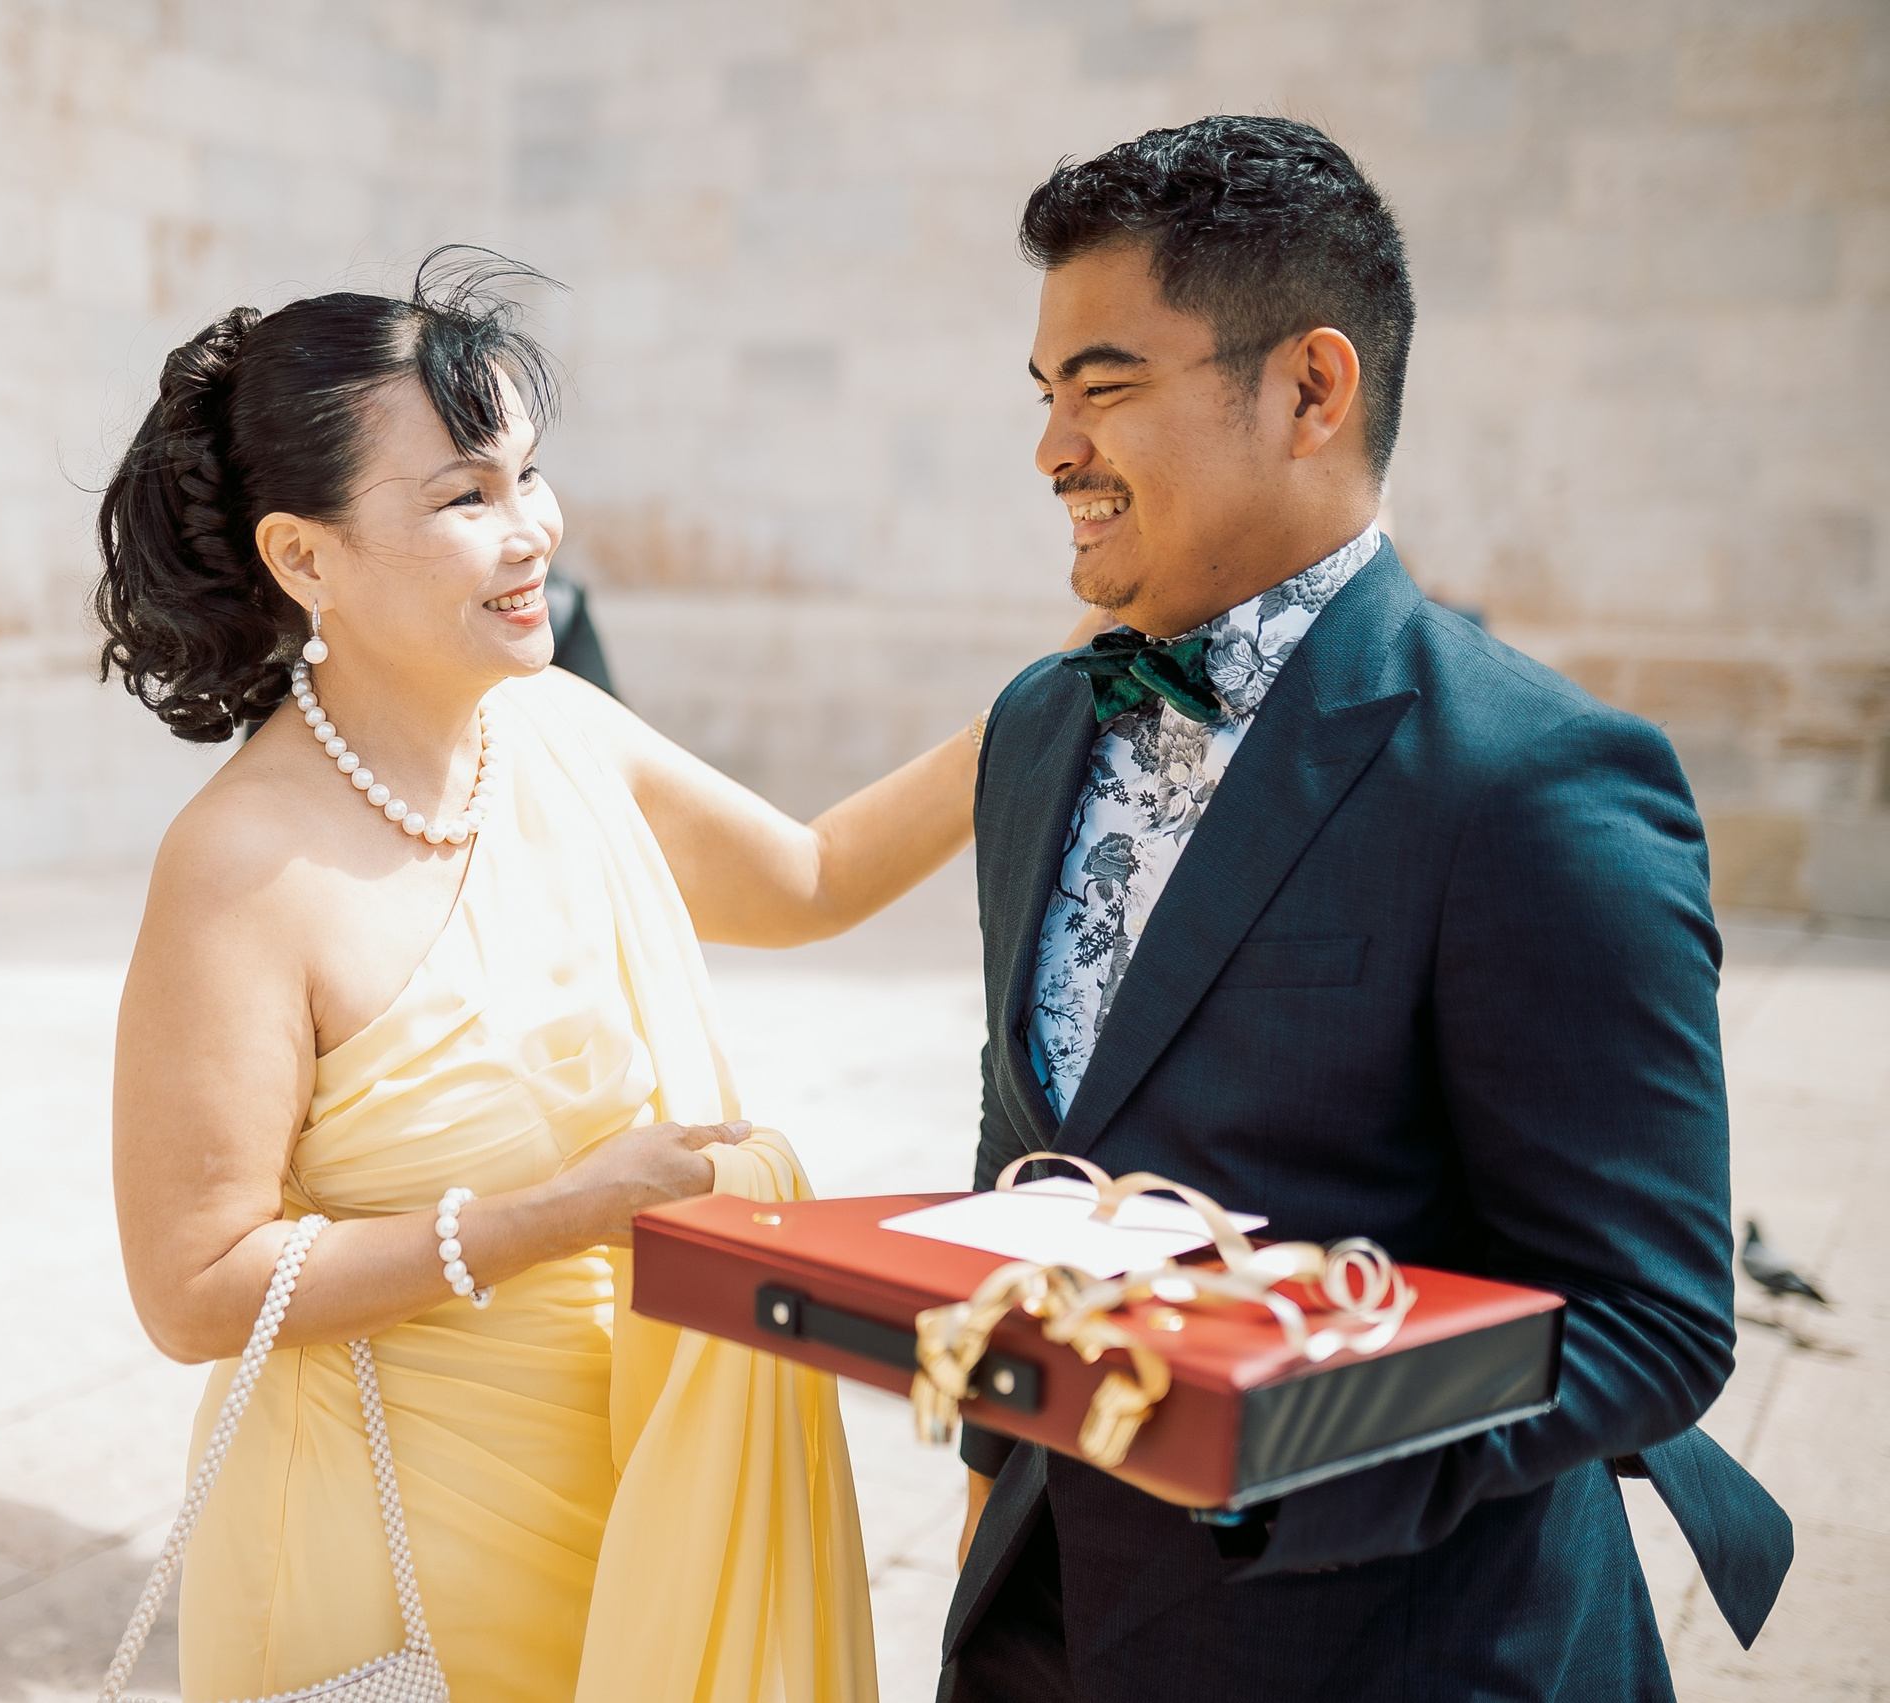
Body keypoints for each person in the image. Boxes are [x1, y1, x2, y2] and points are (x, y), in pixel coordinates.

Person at [943, 119, 1792, 1701]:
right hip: (1036, 1629)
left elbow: (1650, 1319)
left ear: (1311, 391)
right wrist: (990, 1471)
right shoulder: (1037, 729)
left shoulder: (1532, 776)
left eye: (1103, 388)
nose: (1052, 448)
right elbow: (1032, 1136)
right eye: (1045, 392)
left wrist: (1265, 1455)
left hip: (1397, 1648)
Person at [98, 252, 974, 1702]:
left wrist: (1055, 694)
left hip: (635, 1500)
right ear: (303, 558)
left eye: (528, 476)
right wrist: (554, 1219)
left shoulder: (562, 730)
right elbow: (193, 1290)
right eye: (465, 498)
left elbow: (812, 879)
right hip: (387, 1554)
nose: (533, 534)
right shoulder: (240, 866)